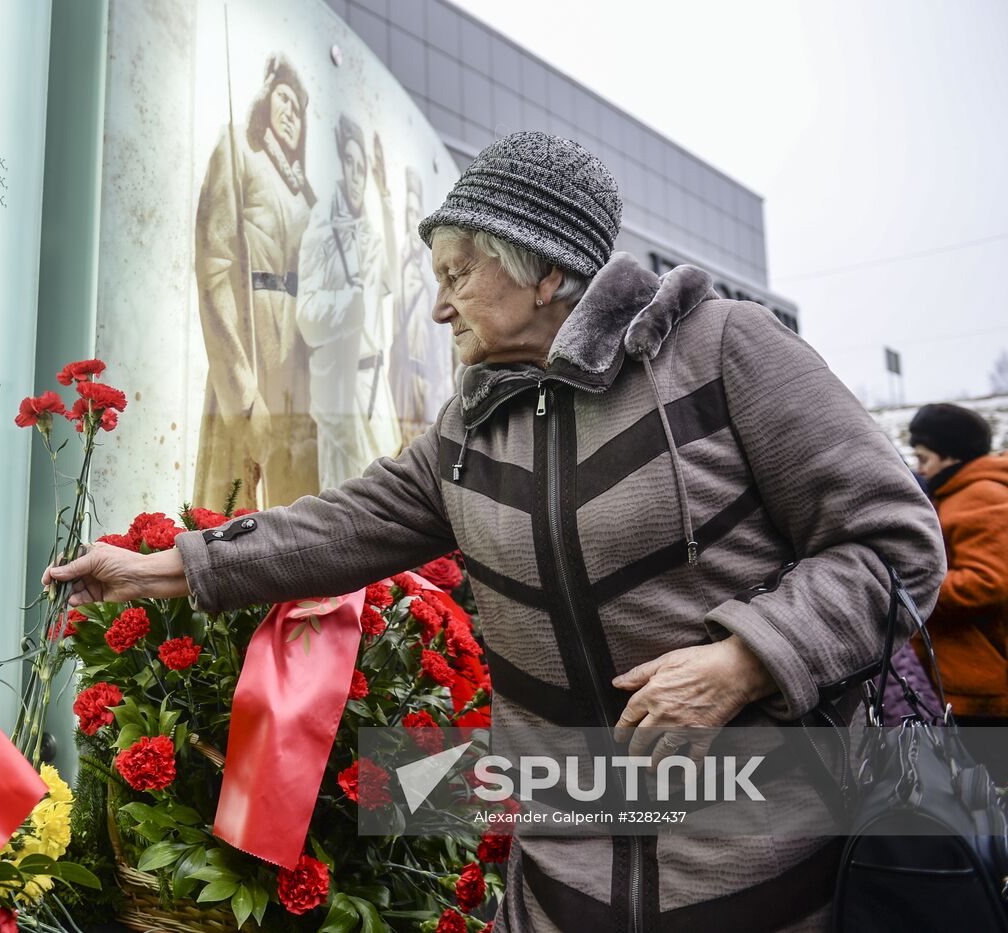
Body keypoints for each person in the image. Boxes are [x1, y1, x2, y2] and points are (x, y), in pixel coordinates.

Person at [49, 133, 945, 931]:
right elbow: (341, 524)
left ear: (545, 271)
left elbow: (894, 543)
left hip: (769, 877)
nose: (439, 310)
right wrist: (154, 568)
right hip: (559, 887)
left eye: (456, 276)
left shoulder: (722, 349)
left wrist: (745, 660)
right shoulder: (470, 428)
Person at [192, 54, 319, 511]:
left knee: (295, 519)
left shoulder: (302, 191)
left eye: (301, 108)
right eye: (284, 97)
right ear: (266, 99)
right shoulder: (238, 149)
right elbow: (213, 268)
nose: (292, 113)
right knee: (234, 509)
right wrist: (242, 393)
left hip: (295, 370)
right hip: (248, 352)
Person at [296, 114, 402, 488]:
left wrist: (387, 198)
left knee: (385, 503)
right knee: (342, 512)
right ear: (341, 164)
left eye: (363, 168)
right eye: (350, 164)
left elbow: (393, 281)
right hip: (340, 392)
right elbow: (306, 315)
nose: (356, 175)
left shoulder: (372, 237)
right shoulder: (322, 229)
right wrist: (347, 302)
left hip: (375, 392)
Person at [908, 403, 1008, 777]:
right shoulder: (956, 493)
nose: (920, 469)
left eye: (924, 458)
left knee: (989, 791)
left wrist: (911, 587)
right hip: (966, 678)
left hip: (984, 682)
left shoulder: (982, 496)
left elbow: (988, 582)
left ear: (951, 455)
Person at [390, 167, 454, 442]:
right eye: (408, 214)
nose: (439, 312)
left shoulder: (426, 275)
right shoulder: (401, 268)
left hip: (428, 379)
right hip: (406, 374)